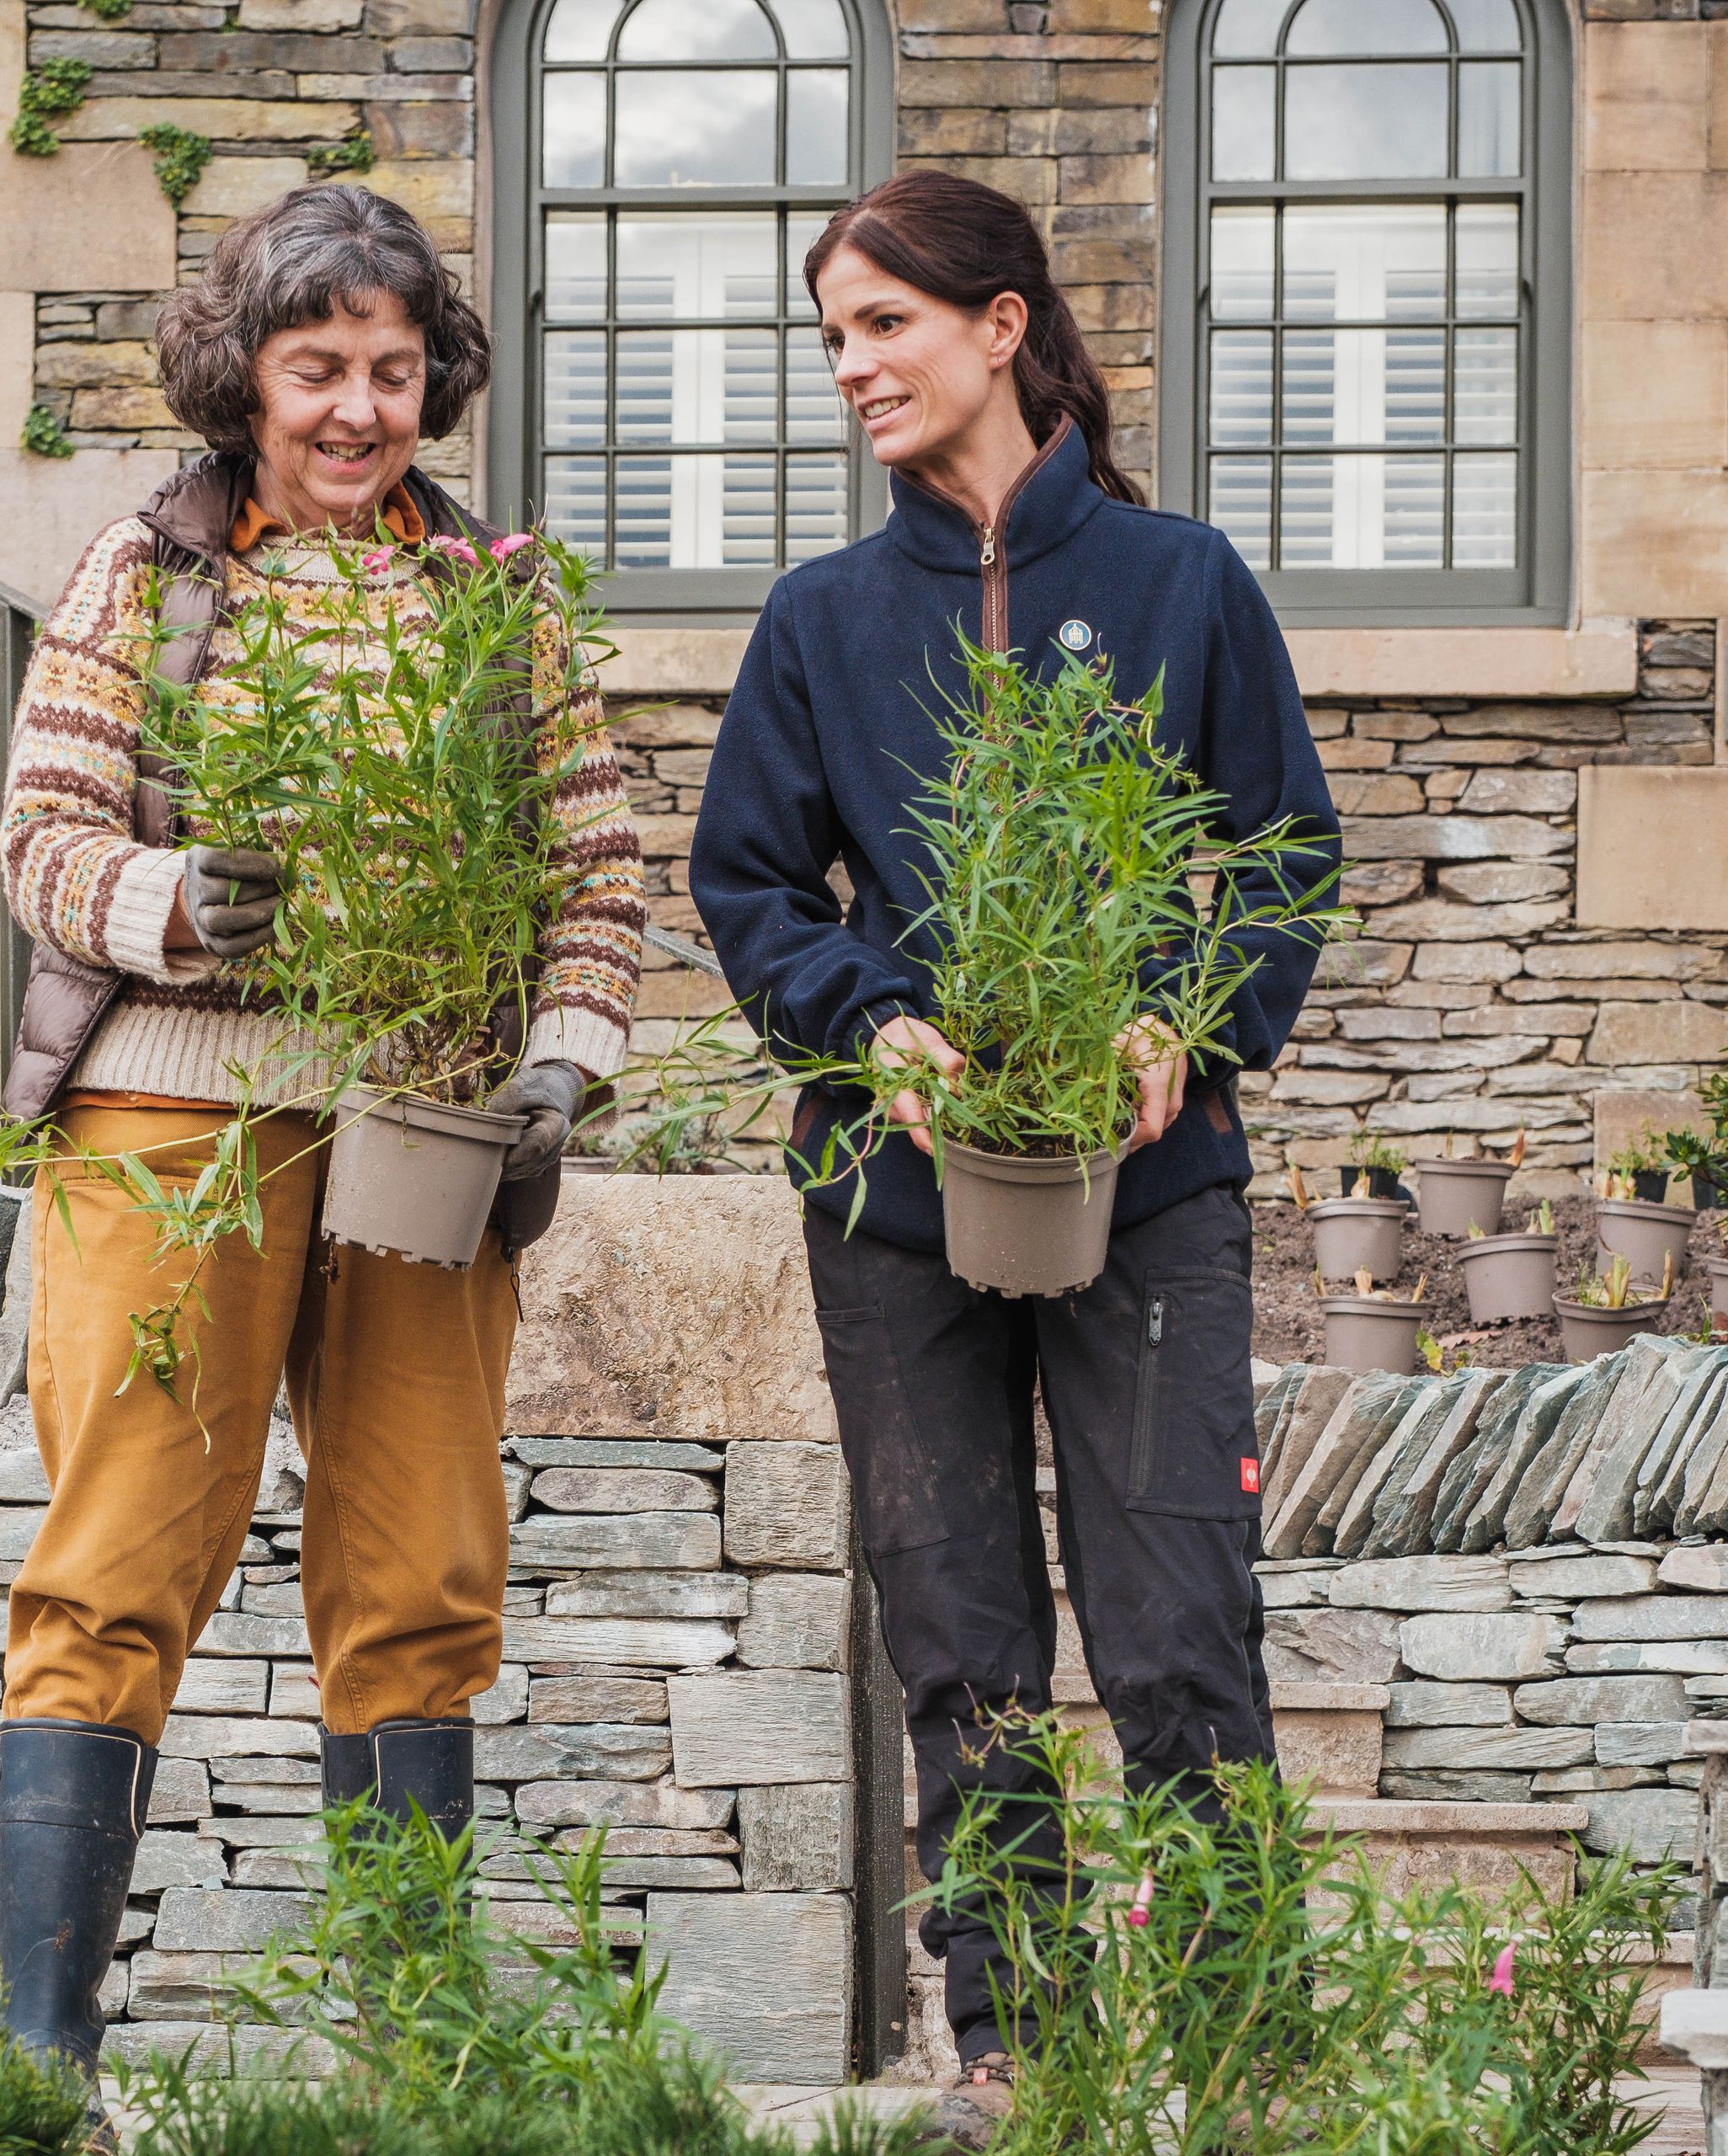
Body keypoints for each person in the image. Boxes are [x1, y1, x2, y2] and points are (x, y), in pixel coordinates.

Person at [689, 170, 1341, 2146]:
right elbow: (746, 883)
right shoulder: (818, 618)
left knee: (1176, 1622)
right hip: (898, 1198)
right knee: (960, 1629)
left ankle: (1234, 2054)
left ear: (1001, 324)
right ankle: (1011, 2054)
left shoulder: (1181, 583)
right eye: (834, 338)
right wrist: (868, 1013)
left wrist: (1182, 1019)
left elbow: (1285, 856)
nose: (854, 367)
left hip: (1151, 1194)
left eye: (884, 322)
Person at [0, 183, 646, 2125]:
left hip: (424, 1132)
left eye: (389, 368)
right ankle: (48, 2072)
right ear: (245, 382)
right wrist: (180, 897)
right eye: (315, 370)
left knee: (422, 1565)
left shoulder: (501, 596)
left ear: (431, 378)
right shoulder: (146, 570)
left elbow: (596, 862)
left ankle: (406, 2070)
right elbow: (38, 841)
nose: (357, 409)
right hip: (171, 1120)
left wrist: (565, 1056)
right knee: (115, 1560)